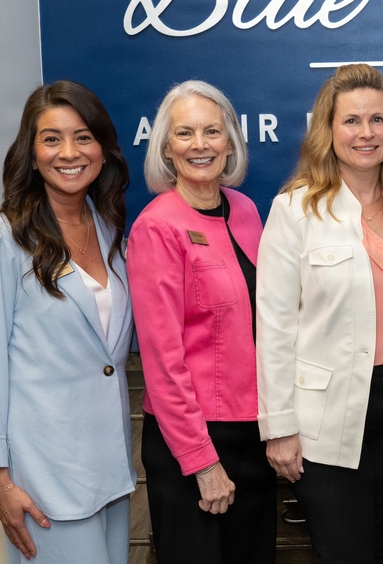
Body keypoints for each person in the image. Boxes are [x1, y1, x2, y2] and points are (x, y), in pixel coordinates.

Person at [257, 63, 383, 563]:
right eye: (351, 121)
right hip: (326, 421)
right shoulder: (295, 210)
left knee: (379, 552)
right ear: (327, 131)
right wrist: (279, 428)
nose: (365, 133)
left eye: (378, 120)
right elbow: (272, 326)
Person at [0, 81, 135, 563]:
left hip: (108, 467)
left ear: (102, 148)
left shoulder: (109, 228)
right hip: (42, 476)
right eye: (51, 138)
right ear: (30, 152)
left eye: (83, 137)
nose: (69, 152)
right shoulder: (1, 242)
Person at [126, 81, 275, 562]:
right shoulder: (156, 227)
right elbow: (162, 361)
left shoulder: (247, 210)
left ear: (230, 141)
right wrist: (202, 462)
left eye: (212, 131)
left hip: (254, 431)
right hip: (194, 440)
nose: (200, 144)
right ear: (166, 147)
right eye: (184, 133)